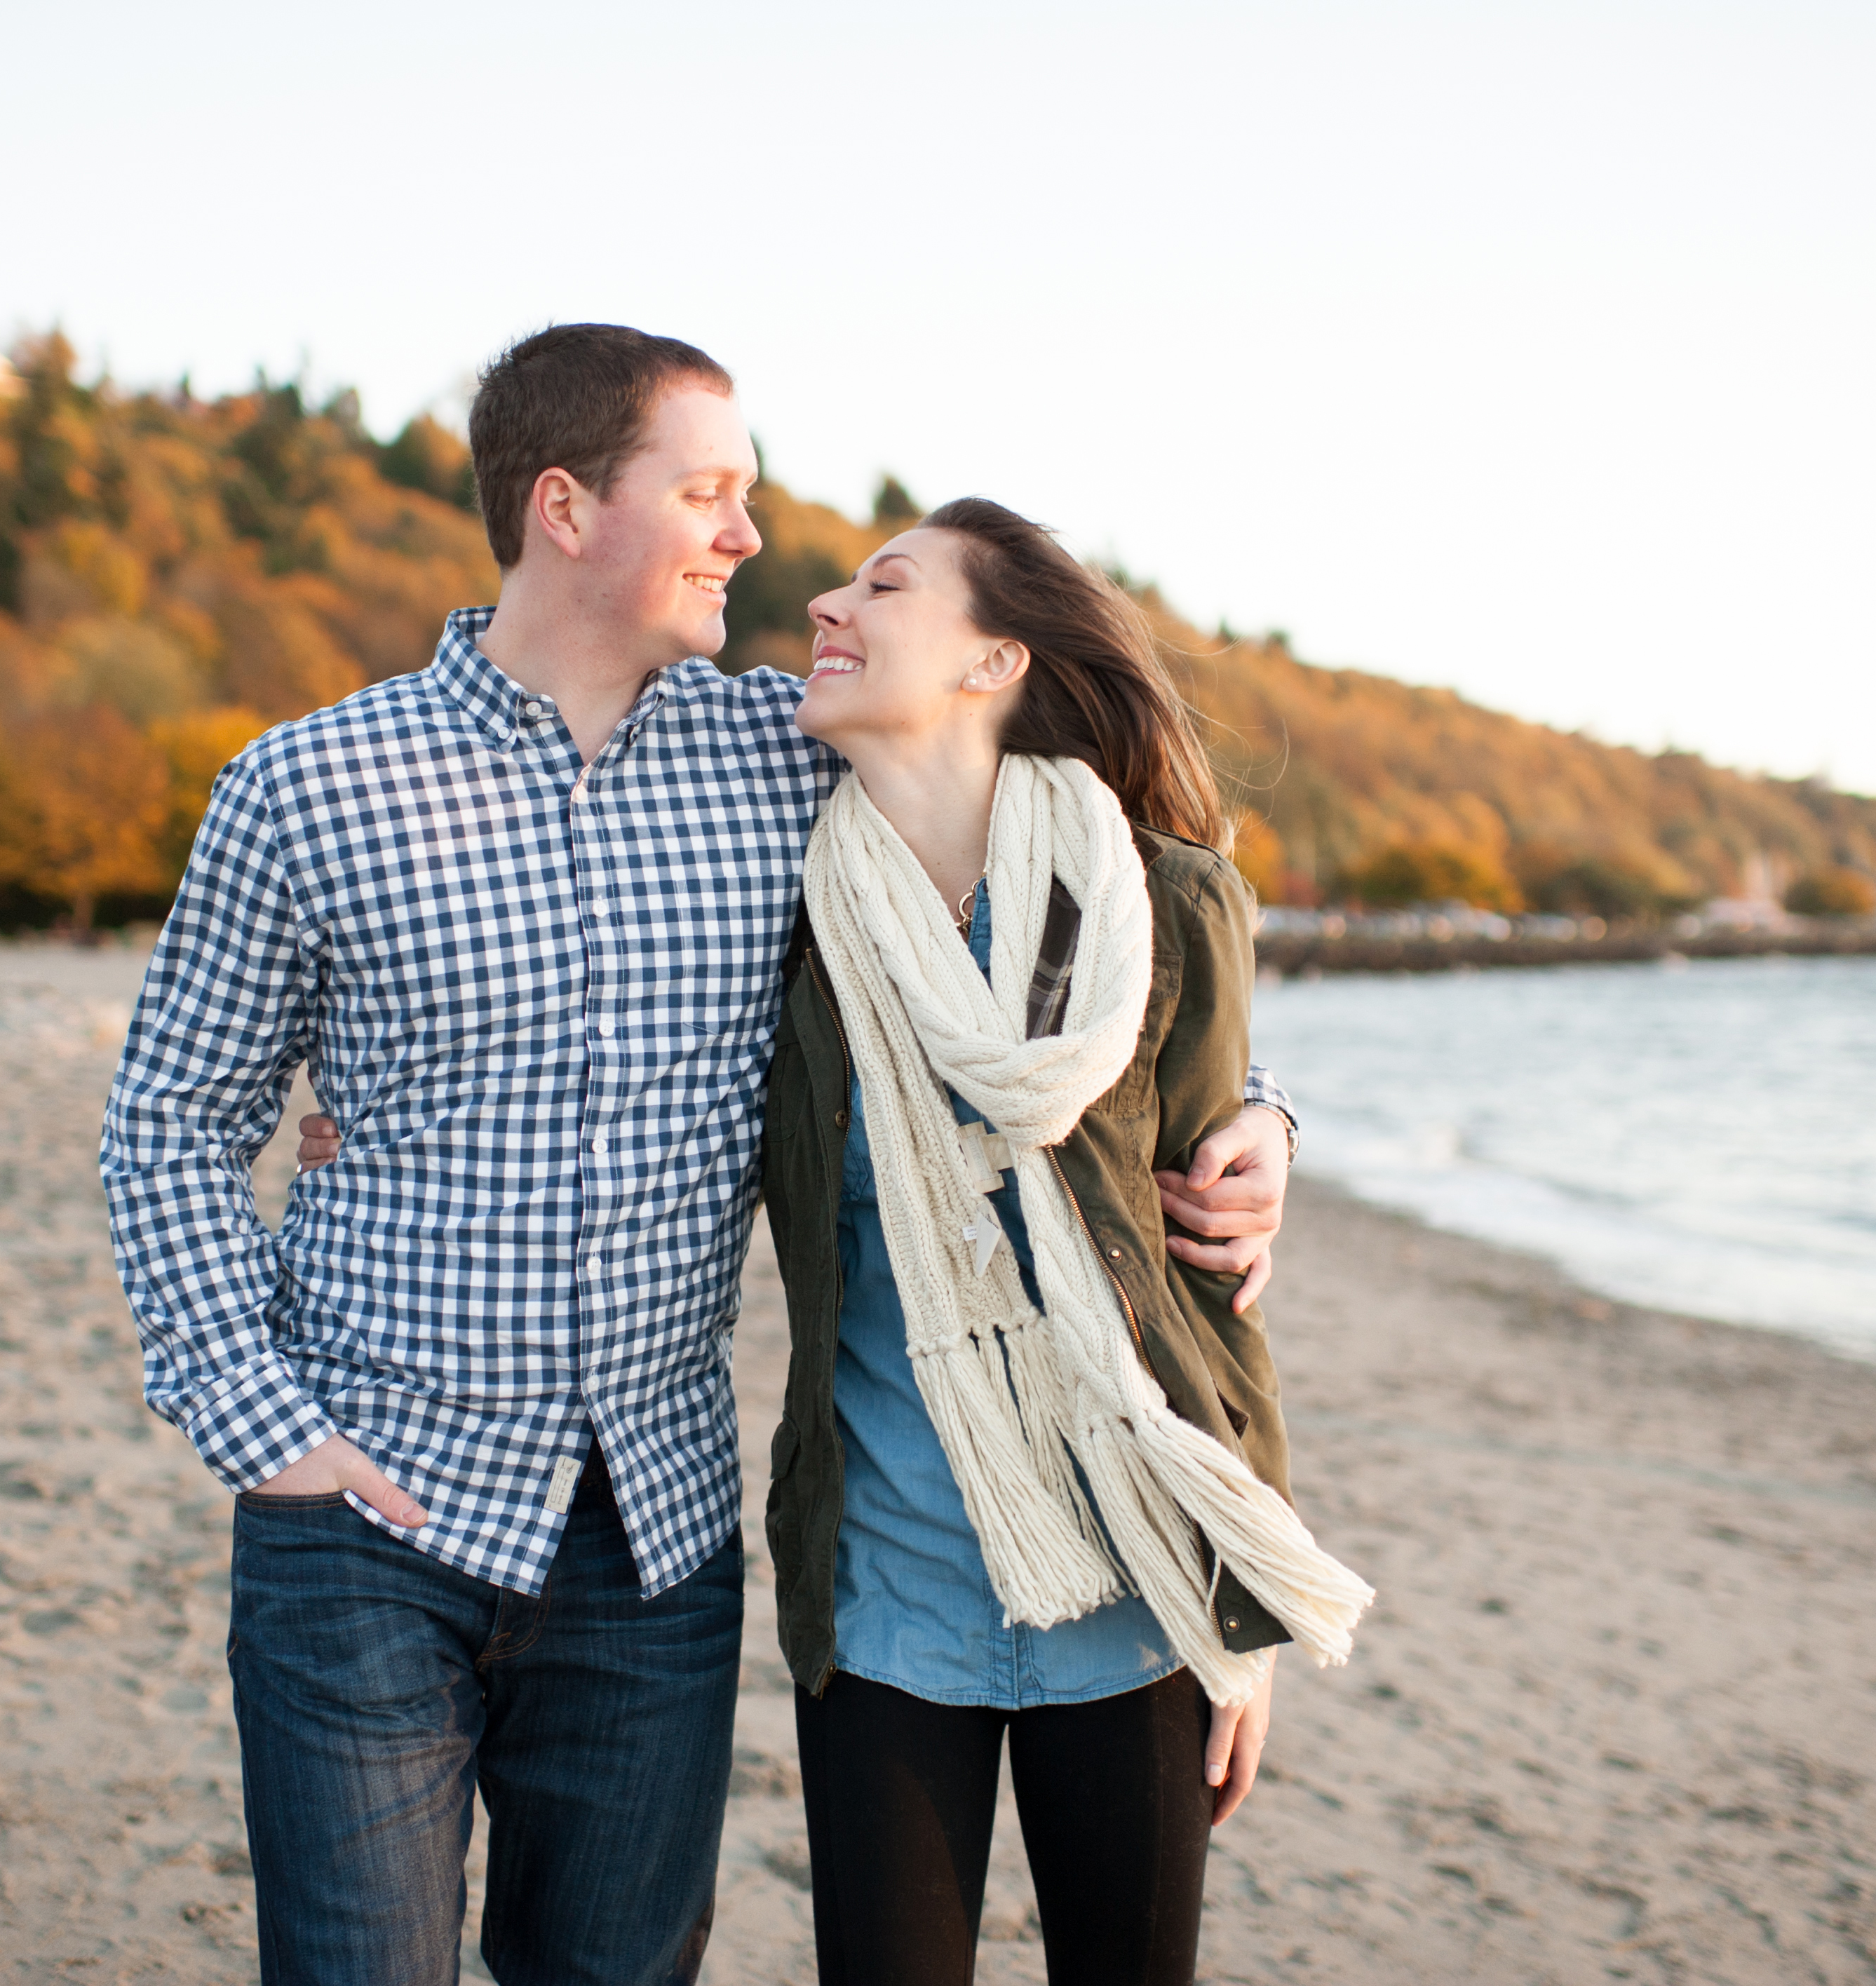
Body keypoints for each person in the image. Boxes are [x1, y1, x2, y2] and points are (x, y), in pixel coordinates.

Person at [100, 325, 1297, 1986]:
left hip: (648, 1540)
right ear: (565, 508)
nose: (750, 538)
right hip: (364, 1512)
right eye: (709, 493)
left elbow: (1064, 898)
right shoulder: (309, 785)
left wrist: (1258, 1117)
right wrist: (258, 1419)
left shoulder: (778, 765)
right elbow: (171, 1118)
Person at [751, 499, 1370, 1985]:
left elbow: (1211, 1282)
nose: (828, 605)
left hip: (1137, 1581)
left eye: (882, 586)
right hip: (888, 1594)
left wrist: (1246, 1616)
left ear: (994, 662)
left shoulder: (1160, 903)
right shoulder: (789, 919)